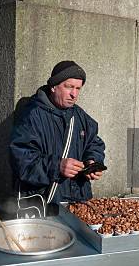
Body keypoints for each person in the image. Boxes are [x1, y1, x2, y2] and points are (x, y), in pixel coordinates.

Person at [10, 61, 105, 203]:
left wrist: (93, 162)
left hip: (78, 202)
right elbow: (21, 161)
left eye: (78, 88)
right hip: (45, 204)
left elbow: (94, 143)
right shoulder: (31, 116)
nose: (74, 94)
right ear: (53, 87)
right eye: (69, 87)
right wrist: (57, 166)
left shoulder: (80, 116)